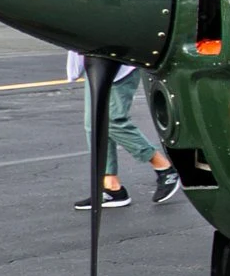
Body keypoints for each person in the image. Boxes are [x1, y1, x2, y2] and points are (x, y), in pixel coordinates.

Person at [68, 51, 180, 209]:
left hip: (118, 61)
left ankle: (164, 168)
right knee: (93, 124)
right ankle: (111, 187)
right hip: (95, 59)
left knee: (112, 121)